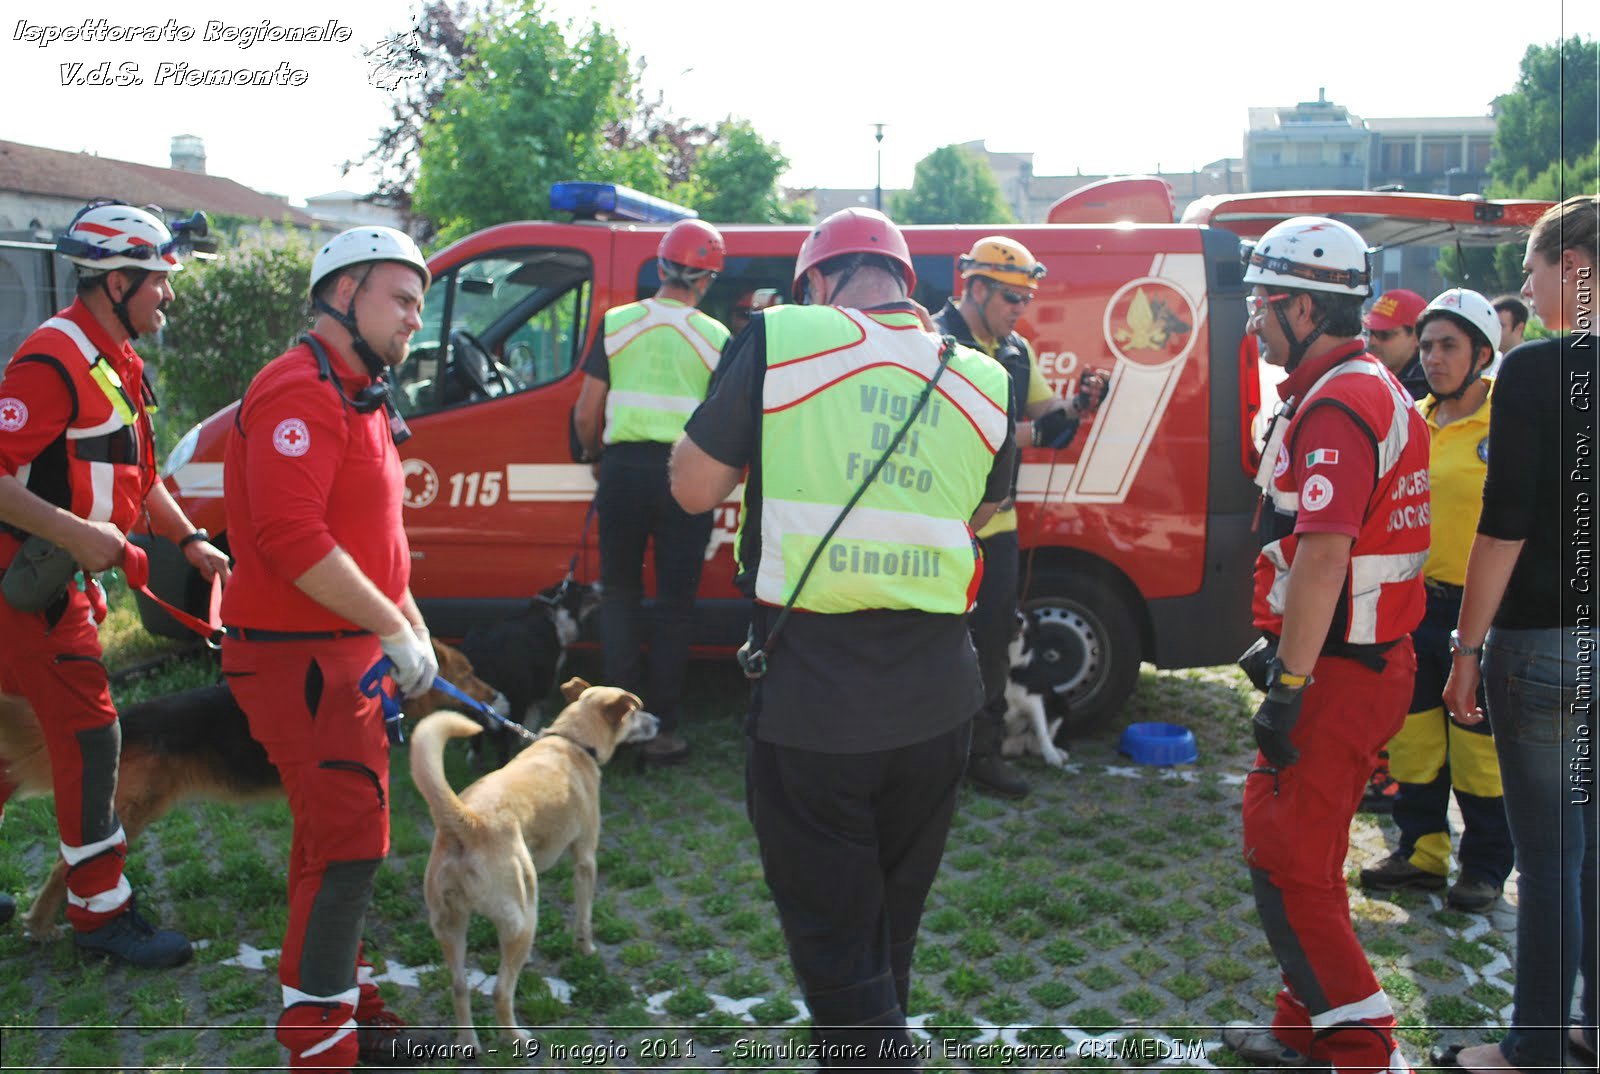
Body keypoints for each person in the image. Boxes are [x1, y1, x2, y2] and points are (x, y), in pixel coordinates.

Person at [669, 207, 1014, 1064]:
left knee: (833, 949)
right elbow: (979, 508)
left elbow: (689, 488)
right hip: (939, 701)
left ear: (817, 282)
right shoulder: (982, 375)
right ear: (907, 283)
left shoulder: (783, 336)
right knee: (884, 938)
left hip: (815, 702)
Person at [220, 226, 444, 1069]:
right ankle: (321, 1047)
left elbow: (374, 538)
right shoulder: (298, 389)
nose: (414, 320)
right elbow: (289, 535)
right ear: (343, 294)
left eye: (417, 304)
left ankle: (347, 1009)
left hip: (344, 651)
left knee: (330, 842)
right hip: (302, 656)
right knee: (349, 849)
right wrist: (389, 627)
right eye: (402, 300)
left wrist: (408, 622)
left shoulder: (361, 392)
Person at [1222, 216, 1429, 1074]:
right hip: (1359, 659)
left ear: (1305, 309)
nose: (1254, 322)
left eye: (1264, 305)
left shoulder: (1340, 401)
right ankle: (1298, 1022)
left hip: (1341, 670)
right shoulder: (1366, 383)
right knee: (1301, 844)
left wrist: (1290, 684)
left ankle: (1360, 1048)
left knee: (1290, 857)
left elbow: (1323, 554)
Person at [0, 201, 228, 965]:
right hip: (33, 590)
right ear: (117, 280)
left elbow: (136, 473)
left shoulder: (115, 356)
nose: (168, 293)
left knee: (4, 744)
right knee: (94, 741)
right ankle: (99, 917)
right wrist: (79, 536)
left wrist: (188, 537)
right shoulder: (51, 358)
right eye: (159, 280)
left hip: (47, 583)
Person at [1441, 194, 1599, 1074]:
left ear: (1573, 268)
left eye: (1533, 271)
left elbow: (1502, 528)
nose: (1526, 289)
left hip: (1545, 644)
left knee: (1550, 862)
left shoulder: (1537, 371)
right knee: (1594, 849)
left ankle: (1531, 1049)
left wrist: (1464, 653)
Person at [1357, 289, 1512, 914]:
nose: (1434, 358)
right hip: (1416, 605)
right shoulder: (1412, 419)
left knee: (1478, 748)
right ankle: (1421, 854)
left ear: (1481, 352)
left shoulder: (1510, 422)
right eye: (1426, 346)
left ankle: (1485, 867)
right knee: (1415, 738)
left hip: (1483, 613)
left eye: (1449, 345)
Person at [932, 237, 1094, 799]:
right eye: (1010, 297)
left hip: (995, 525)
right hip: (938, 522)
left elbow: (1044, 416)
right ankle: (928, 754)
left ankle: (983, 752)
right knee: (931, 640)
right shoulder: (935, 341)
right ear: (973, 287)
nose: (1019, 309)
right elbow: (966, 428)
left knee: (995, 640)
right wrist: (1023, 434)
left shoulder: (1016, 351)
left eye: (1026, 298)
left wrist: (1076, 405)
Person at [573, 218, 729, 764]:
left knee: (618, 594)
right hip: (684, 477)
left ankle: (617, 726)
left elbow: (587, 411)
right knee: (675, 606)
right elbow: (723, 424)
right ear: (706, 281)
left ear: (660, 267)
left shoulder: (616, 324)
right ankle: (660, 728)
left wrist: (596, 457)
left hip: (622, 470)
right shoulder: (716, 338)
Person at [1363, 287, 1429, 400]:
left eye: (1385, 335)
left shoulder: (1428, 388)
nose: (1372, 341)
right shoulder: (1366, 374)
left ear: (1417, 337)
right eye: (1371, 332)